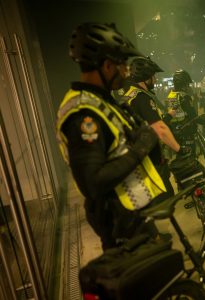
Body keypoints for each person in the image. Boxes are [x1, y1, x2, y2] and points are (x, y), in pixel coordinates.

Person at [56, 22, 167, 250]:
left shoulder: (100, 100)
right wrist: (141, 147)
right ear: (107, 66)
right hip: (118, 225)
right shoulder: (83, 115)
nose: (126, 72)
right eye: (122, 66)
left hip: (133, 216)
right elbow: (93, 182)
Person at [117, 56, 191, 200]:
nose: (155, 80)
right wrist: (179, 149)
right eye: (153, 77)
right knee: (166, 197)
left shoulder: (129, 94)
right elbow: (159, 128)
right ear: (145, 78)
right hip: (148, 157)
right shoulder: (142, 97)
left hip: (135, 155)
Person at [165, 69, 200, 154]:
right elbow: (193, 114)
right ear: (183, 84)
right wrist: (203, 121)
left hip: (175, 132)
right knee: (191, 157)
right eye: (187, 84)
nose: (188, 86)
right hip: (186, 132)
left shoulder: (170, 95)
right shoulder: (184, 97)